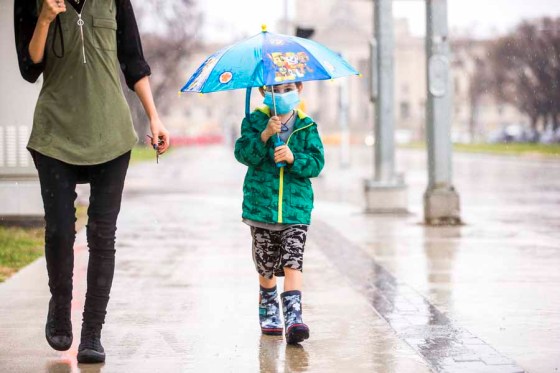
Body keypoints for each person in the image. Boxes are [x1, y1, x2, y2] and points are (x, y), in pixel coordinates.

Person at [14, 0, 169, 364]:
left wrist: (155, 118)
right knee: (59, 230)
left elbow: (134, 62)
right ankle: (60, 305)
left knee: (102, 234)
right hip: (55, 134)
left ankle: (92, 333)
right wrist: (46, 18)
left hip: (110, 133)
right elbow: (29, 66)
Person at [234, 82, 325, 344]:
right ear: (263, 93)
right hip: (261, 207)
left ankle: (294, 318)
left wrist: (294, 158)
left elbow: (317, 163)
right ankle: (269, 306)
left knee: (293, 259)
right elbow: (243, 154)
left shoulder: (307, 125)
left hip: (295, 208)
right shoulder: (254, 121)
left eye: (288, 89)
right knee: (265, 264)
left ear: (299, 88)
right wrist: (263, 136)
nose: (282, 94)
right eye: (275, 89)